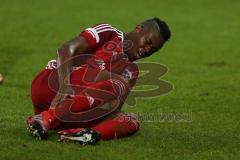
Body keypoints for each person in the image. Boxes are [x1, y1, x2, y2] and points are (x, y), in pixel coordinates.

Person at [26, 17, 171, 145]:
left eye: (153, 49)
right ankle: (46, 118)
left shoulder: (132, 71)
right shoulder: (109, 34)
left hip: (72, 108)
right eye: (148, 42)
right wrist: (65, 87)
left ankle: (89, 133)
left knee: (130, 119)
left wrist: (110, 122)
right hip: (53, 86)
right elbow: (66, 49)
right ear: (138, 28)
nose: (147, 50)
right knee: (117, 82)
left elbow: (112, 109)